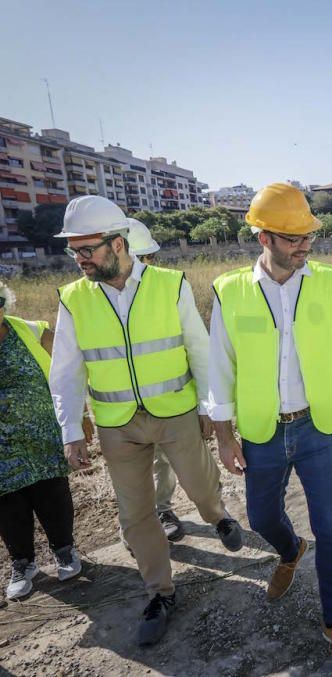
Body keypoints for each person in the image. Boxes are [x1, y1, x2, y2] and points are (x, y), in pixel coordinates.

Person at [49, 196, 244, 647]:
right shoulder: (73, 299)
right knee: (136, 515)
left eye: (87, 249)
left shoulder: (169, 285)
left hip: (174, 412)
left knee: (199, 486)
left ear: (117, 244)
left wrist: (212, 414)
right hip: (118, 424)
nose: (79, 259)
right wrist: (72, 431)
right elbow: (66, 370)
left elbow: (199, 351)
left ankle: (217, 516)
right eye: (73, 251)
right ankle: (160, 592)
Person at [210, 183, 332, 671]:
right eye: (292, 238)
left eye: (307, 237)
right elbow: (221, 363)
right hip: (262, 429)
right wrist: (222, 433)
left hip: (319, 427)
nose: (304, 246)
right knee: (260, 518)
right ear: (263, 238)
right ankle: (290, 549)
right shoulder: (228, 290)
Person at [0, 280, 83, 601]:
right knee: (9, 503)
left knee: (52, 492)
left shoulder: (32, 331)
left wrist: (79, 416)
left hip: (44, 434)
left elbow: (68, 365)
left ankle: (64, 550)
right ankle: (23, 563)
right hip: (3, 449)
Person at [125, 218, 182, 542]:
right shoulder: (94, 300)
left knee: (166, 460)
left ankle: (164, 508)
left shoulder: (166, 292)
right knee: (131, 471)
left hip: (166, 399)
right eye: (142, 259)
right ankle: (136, 527)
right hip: (121, 408)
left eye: (149, 260)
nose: (147, 266)